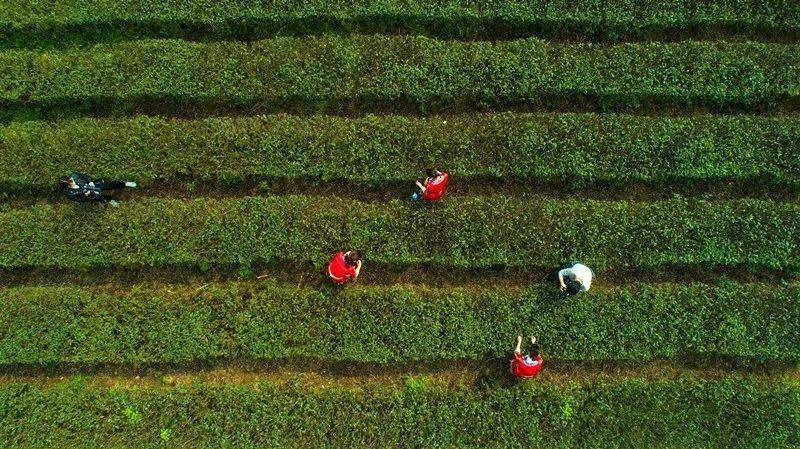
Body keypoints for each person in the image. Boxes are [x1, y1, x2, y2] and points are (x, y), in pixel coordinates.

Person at [59, 173, 137, 206]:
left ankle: (124, 184)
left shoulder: (75, 175)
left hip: (93, 185)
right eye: (70, 183)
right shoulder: (71, 193)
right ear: (67, 187)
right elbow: (80, 200)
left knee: (108, 185)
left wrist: (90, 182)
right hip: (90, 195)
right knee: (100, 198)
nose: (72, 181)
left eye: (71, 180)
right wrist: (86, 195)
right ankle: (109, 200)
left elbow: (85, 176)